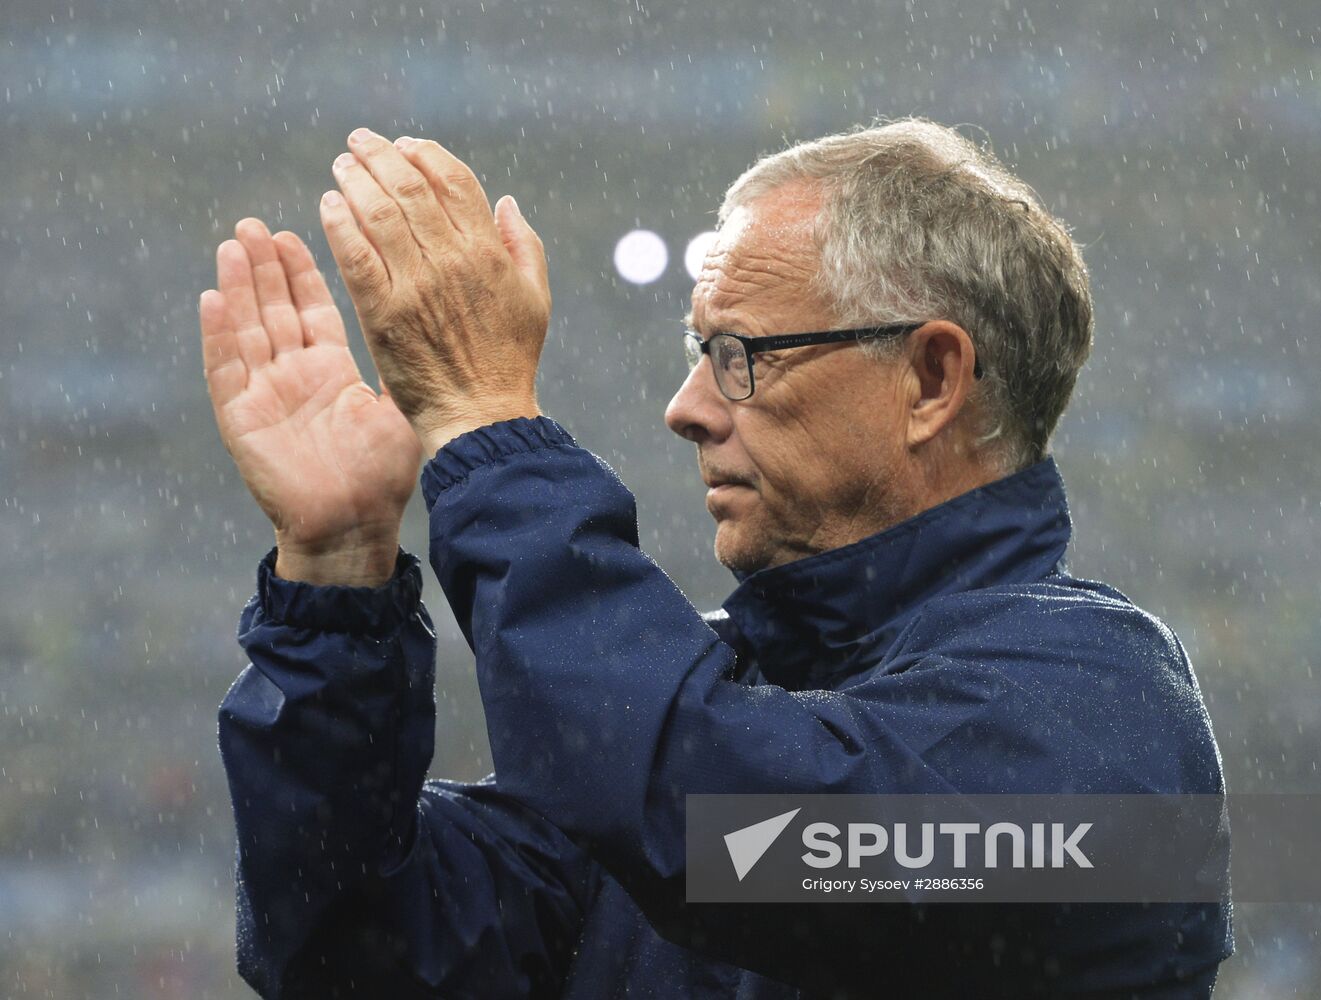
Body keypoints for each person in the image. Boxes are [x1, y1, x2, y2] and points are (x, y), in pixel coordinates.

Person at [202, 118, 1233, 998]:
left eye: (739, 355)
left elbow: (722, 827)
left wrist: (483, 423)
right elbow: (352, 950)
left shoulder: (1109, 719)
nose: (687, 409)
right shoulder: (699, 712)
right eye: (697, 355)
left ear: (928, 378)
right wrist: (335, 578)